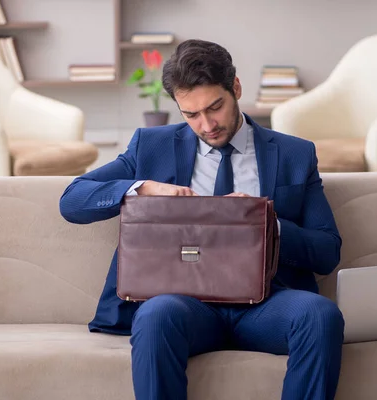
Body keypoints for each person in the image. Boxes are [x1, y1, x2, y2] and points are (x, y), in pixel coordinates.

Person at [59, 39, 344, 400]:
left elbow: (327, 250)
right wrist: (144, 188)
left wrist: (266, 224)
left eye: (215, 107)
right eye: (191, 114)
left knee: (320, 316)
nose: (207, 125)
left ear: (235, 88)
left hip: (267, 304)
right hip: (184, 306)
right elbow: (73, 200)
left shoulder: (294, 154)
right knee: (156, 314)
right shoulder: (151, 147)